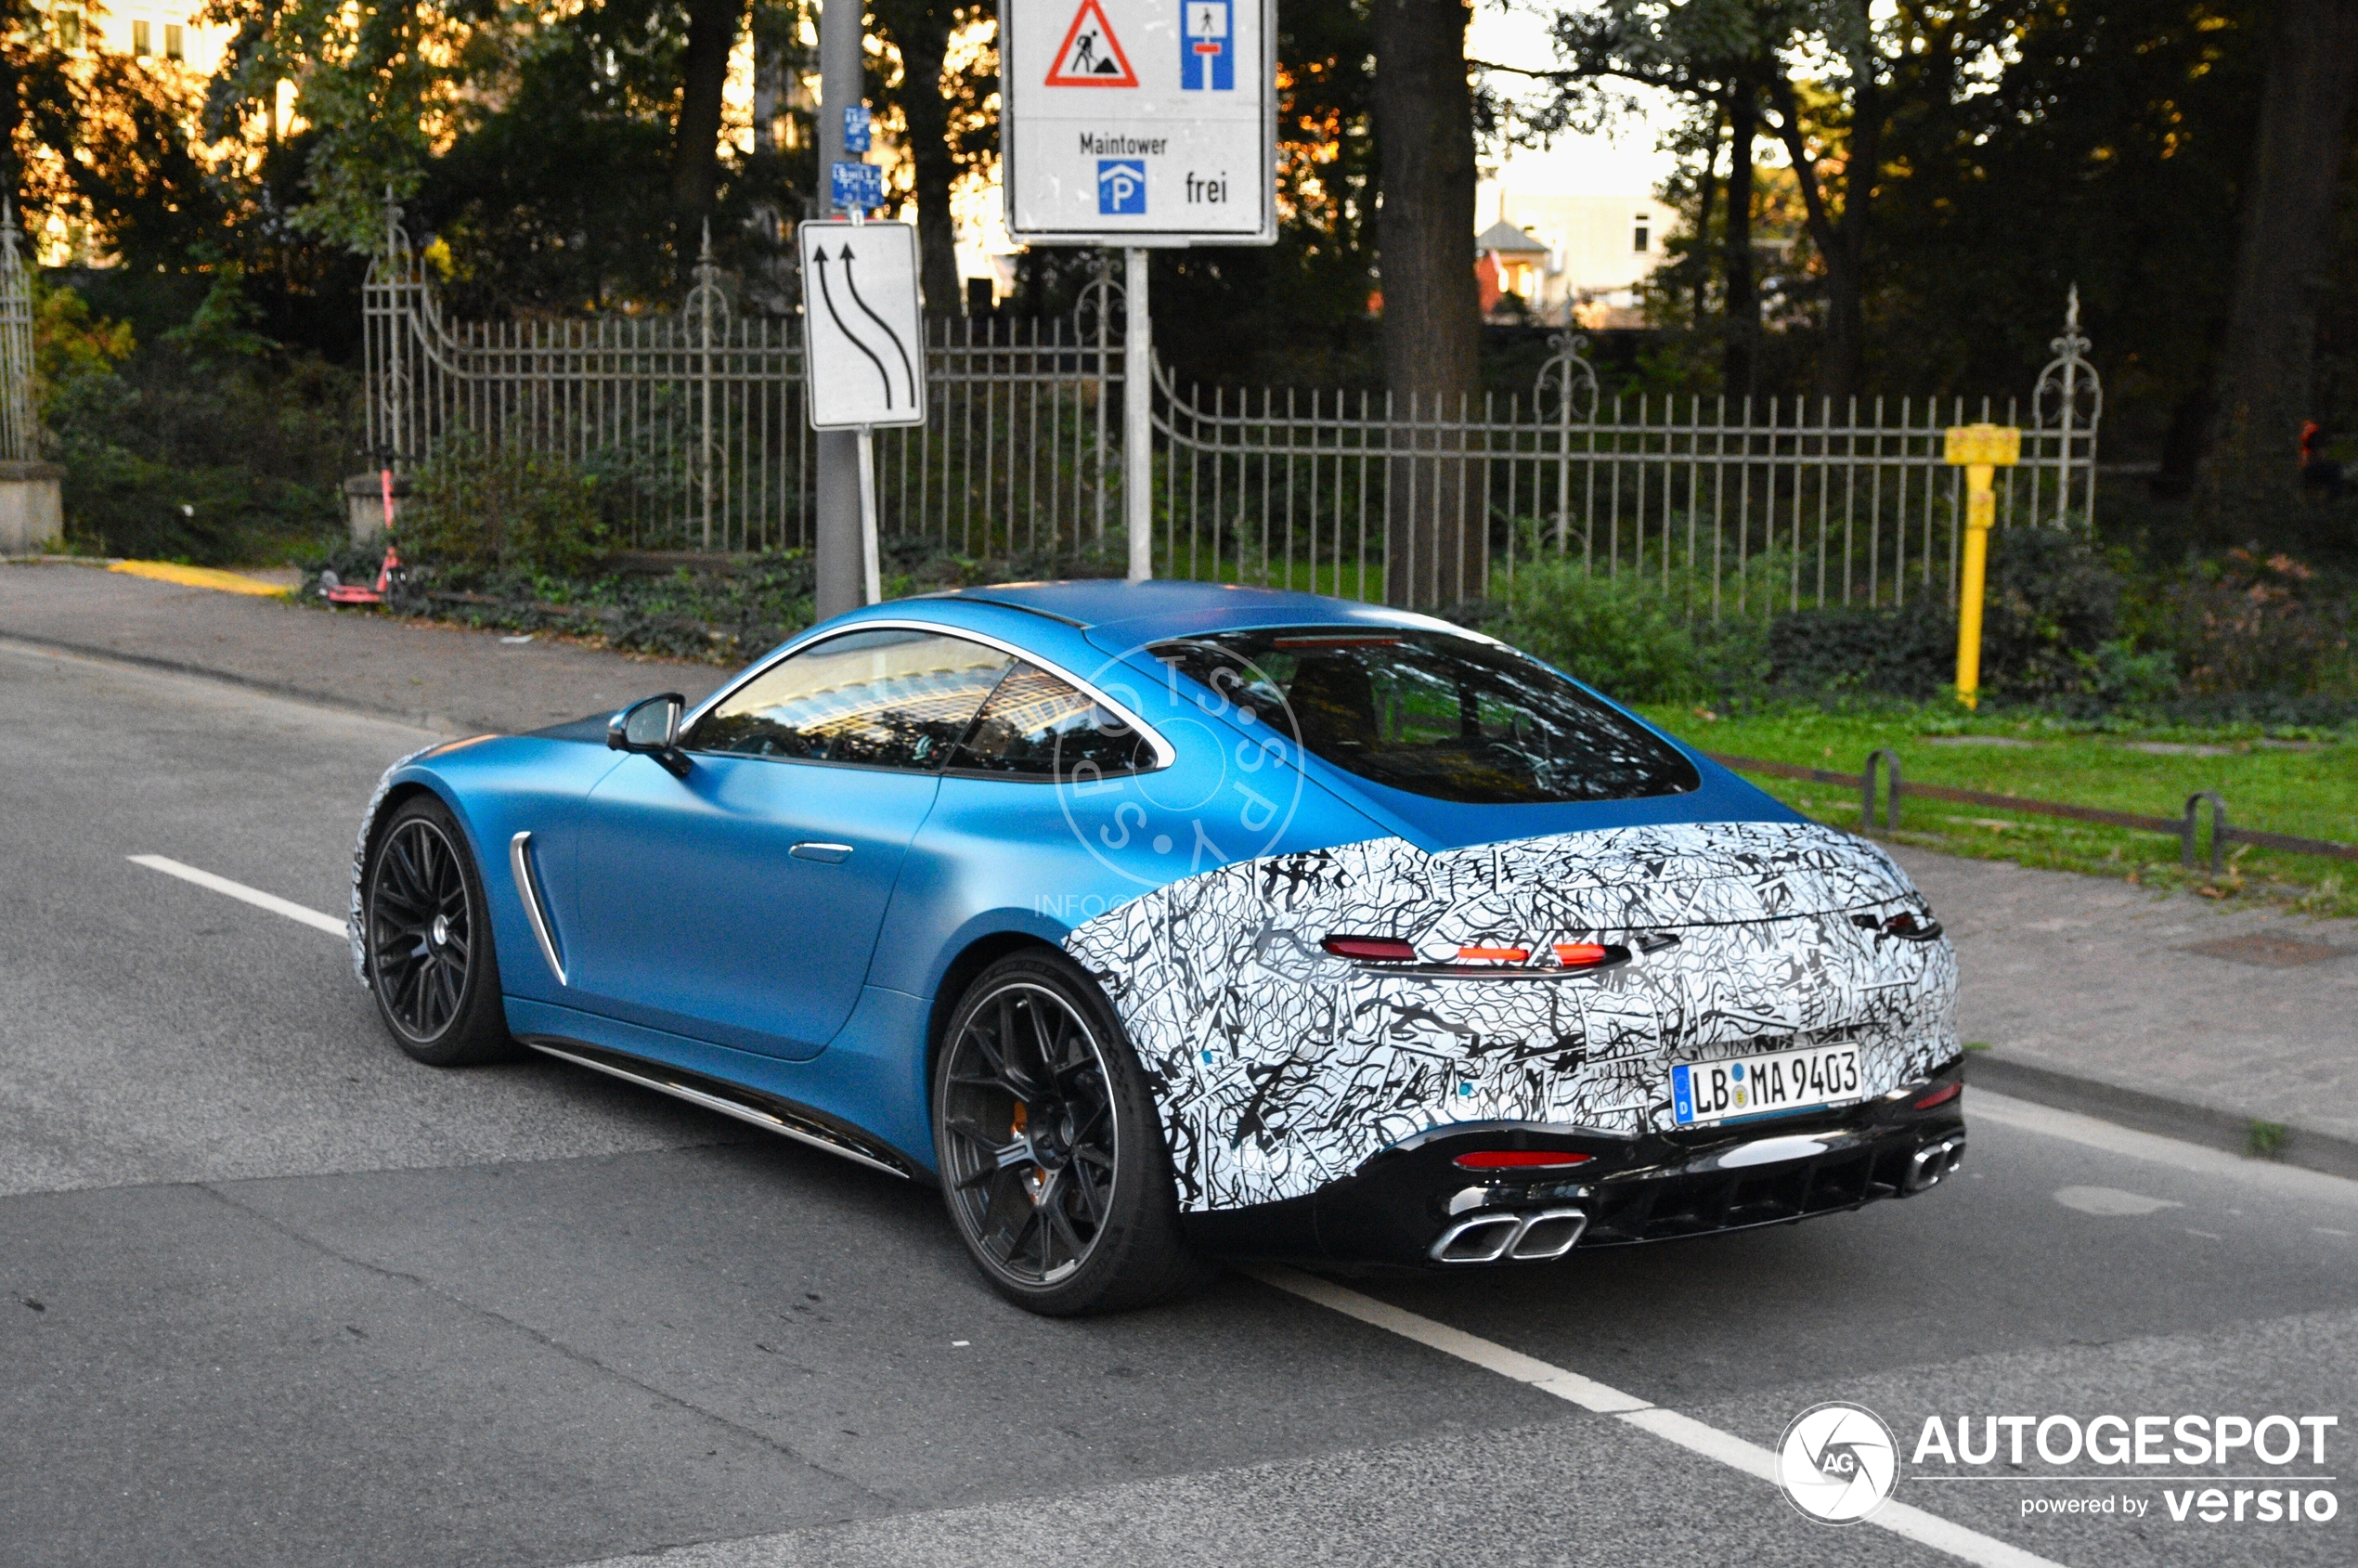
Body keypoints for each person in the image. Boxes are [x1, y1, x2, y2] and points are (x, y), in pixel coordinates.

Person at [2299, 421, 2347, 499]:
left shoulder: (2308, 433)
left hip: (2310, 467)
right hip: (2307, 469)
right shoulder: (2309, 434)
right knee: (2335, 468)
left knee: (2334, 471)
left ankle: (2333, 495)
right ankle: (2333, 497)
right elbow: (2314, 454)